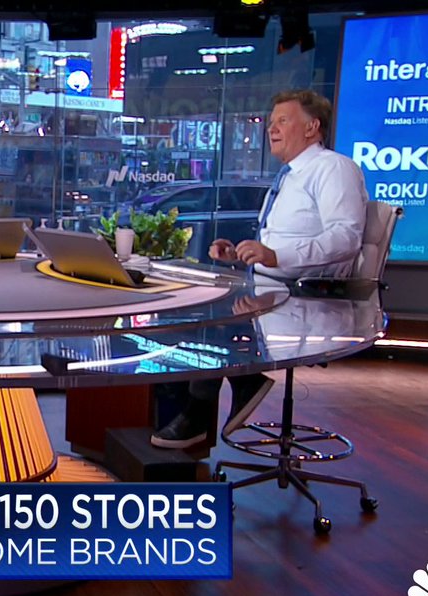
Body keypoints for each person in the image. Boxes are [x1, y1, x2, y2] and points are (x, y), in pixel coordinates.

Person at [151, 89, 368, 449]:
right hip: (269, 284)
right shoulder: (289, 176)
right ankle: (232, 388)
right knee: (184, 302)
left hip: (306, 294)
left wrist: (275, 256)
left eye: (283, 120)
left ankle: (202, 411)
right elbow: (282, 244)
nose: (272, 129)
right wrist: (242, 255)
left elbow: (345, 238)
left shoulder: (333, 168)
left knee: (207, 316)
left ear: (312, 127)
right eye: (271, 123)